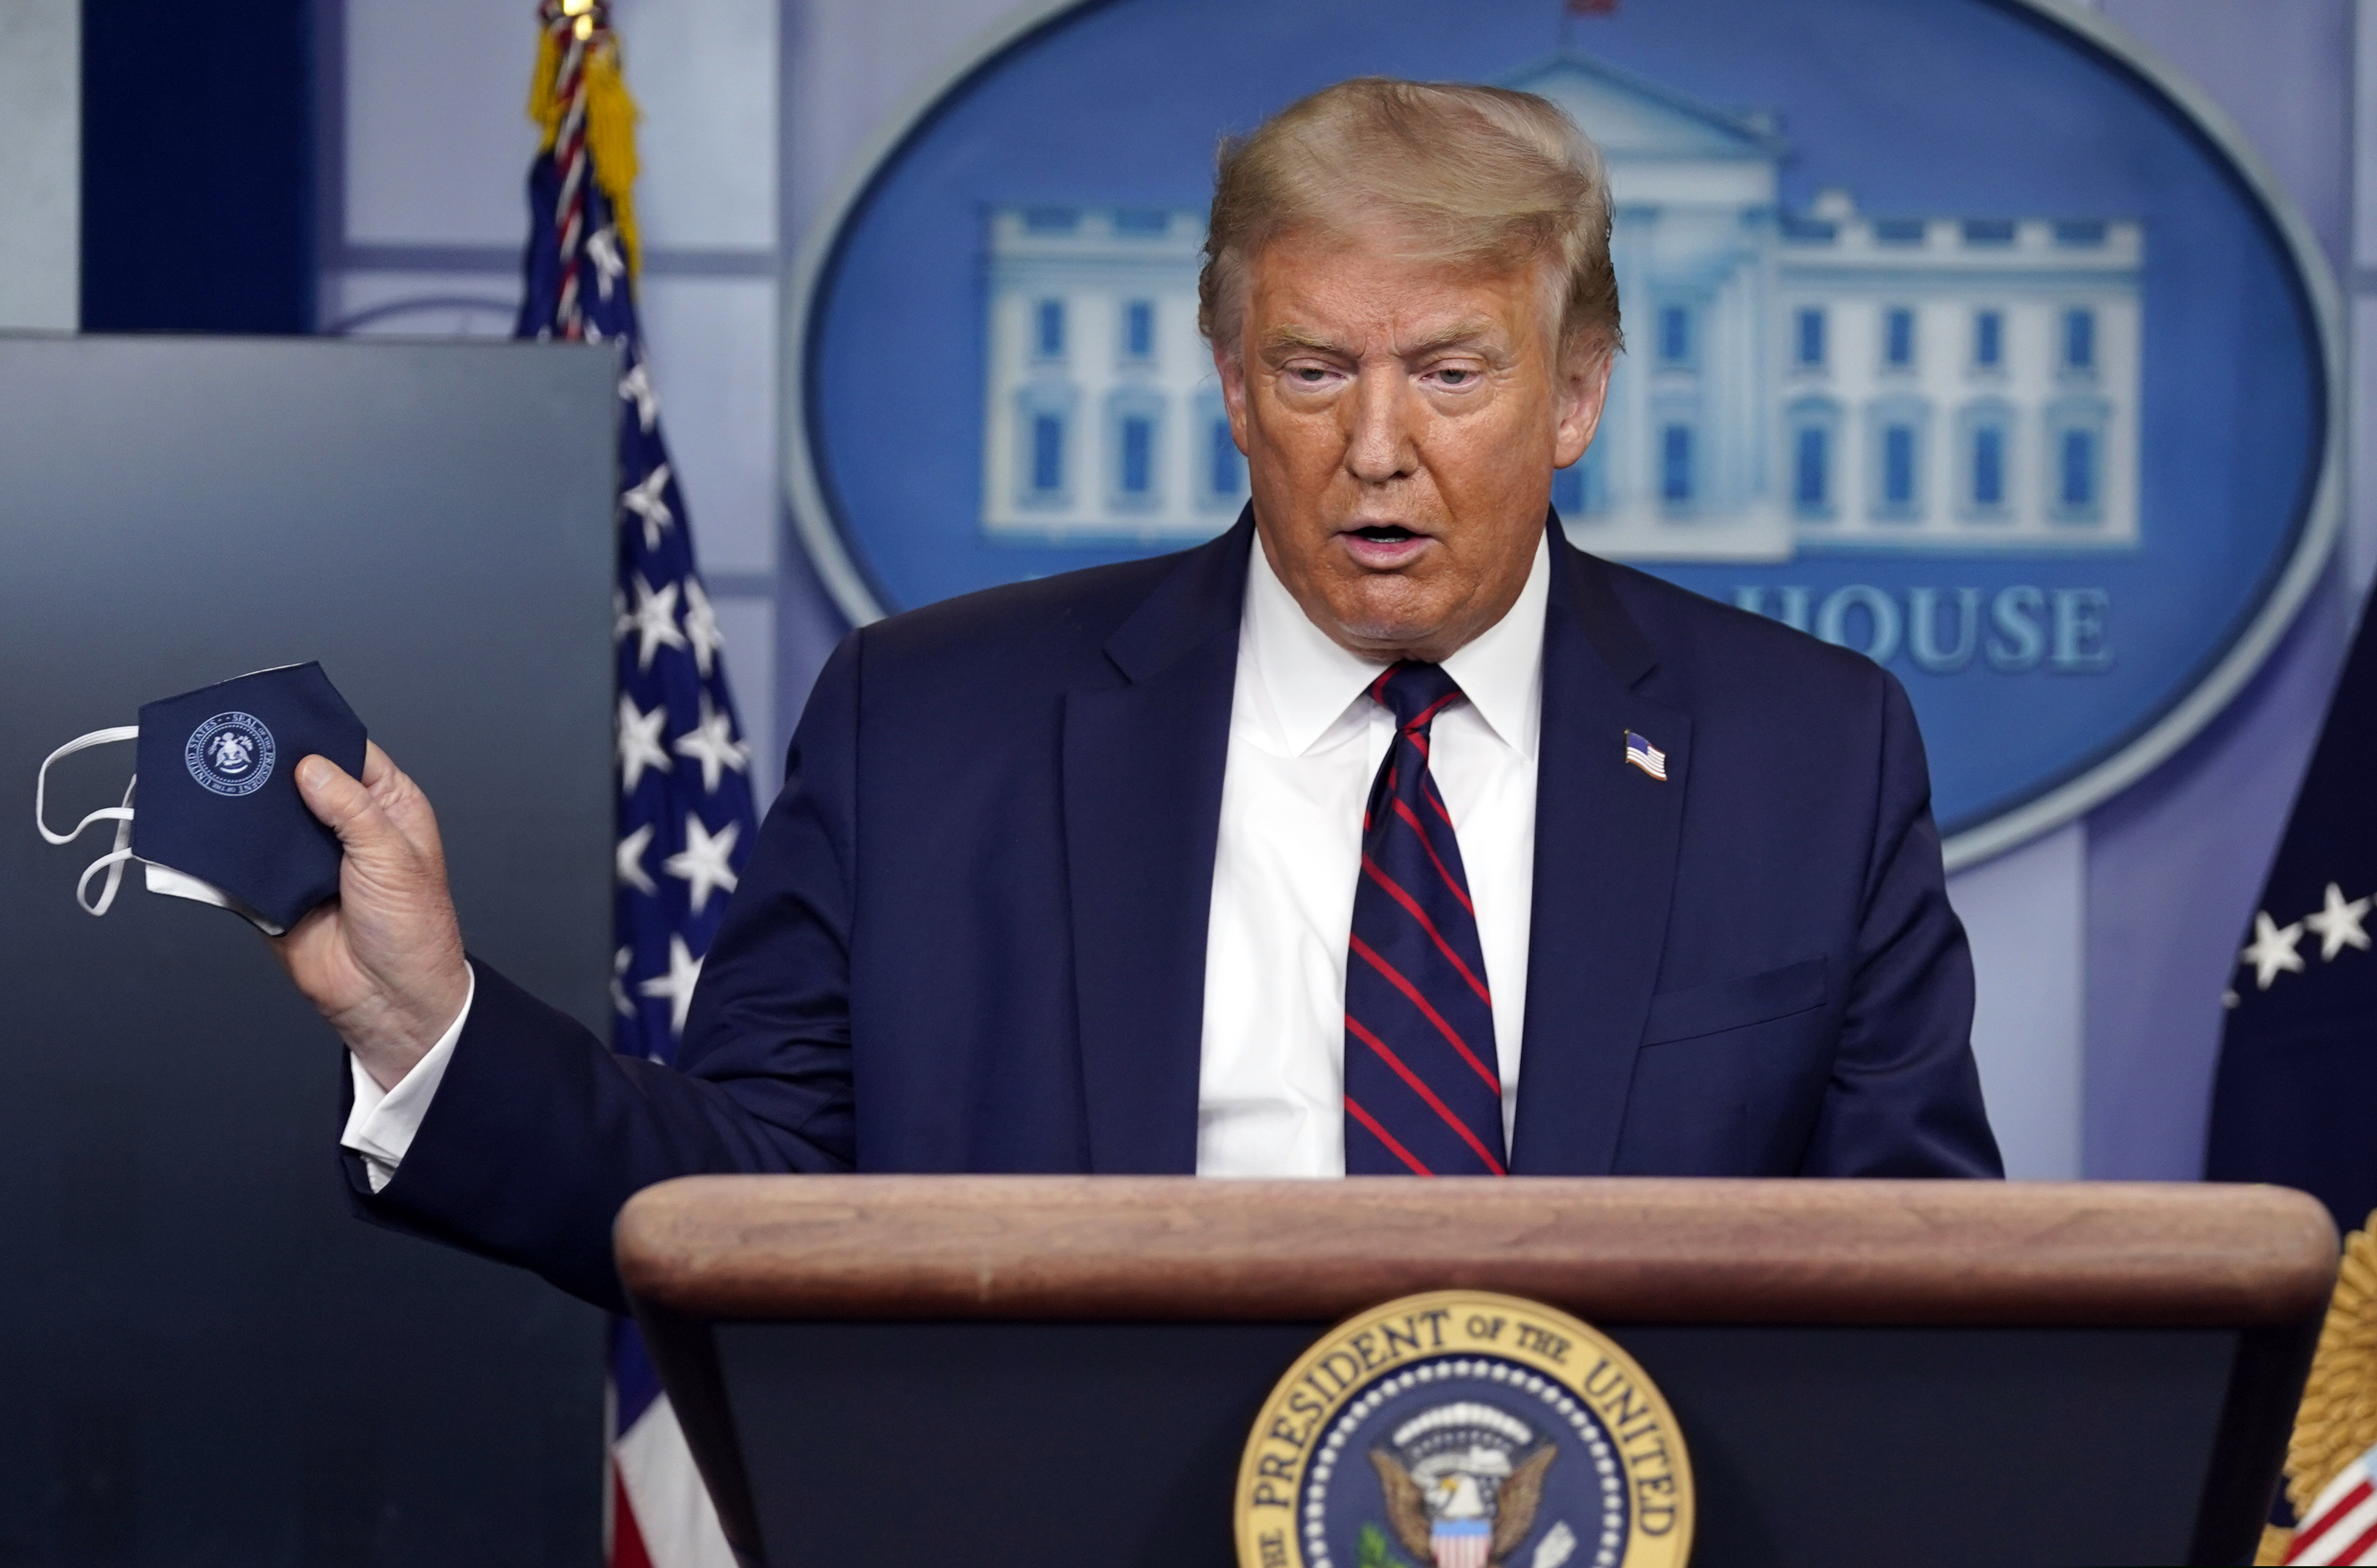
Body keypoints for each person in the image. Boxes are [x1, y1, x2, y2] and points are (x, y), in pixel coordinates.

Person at [277, 78, 2000, 1314]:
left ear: (1577, 396)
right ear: (1232, 388)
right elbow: (745, 1203)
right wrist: (428, 1029)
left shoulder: (1805, 752)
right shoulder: (932, 727)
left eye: (1451, 373)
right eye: (1312, 370)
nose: (1376, 446)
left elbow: (1917, 1278)